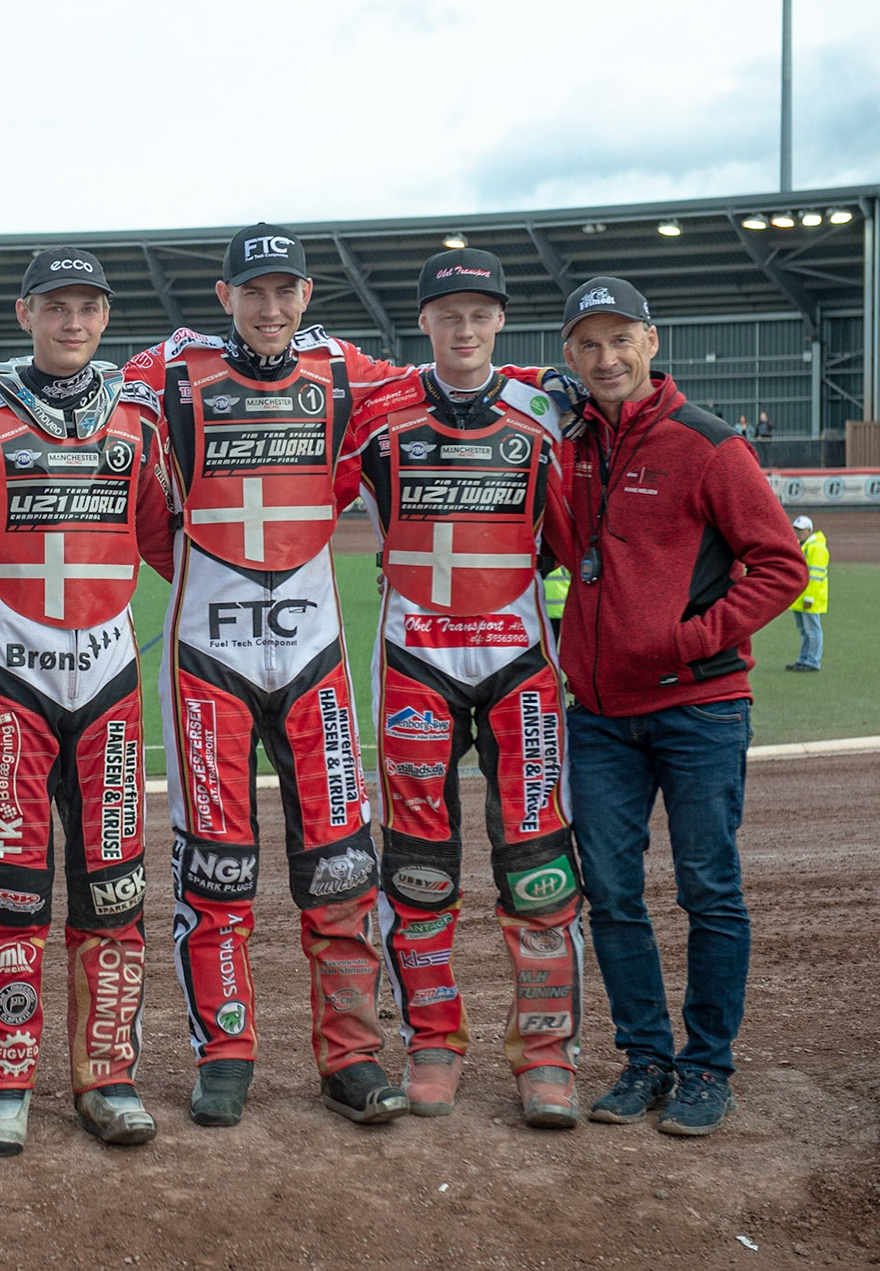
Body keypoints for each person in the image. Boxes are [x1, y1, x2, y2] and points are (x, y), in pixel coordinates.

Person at [122, 224, 411, 1127]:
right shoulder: (169, 371)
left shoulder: (345, 370)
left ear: (308, 295)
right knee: (216, 864)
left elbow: (440, 383)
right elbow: (80, 388)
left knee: (340, 862)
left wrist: (533, 382)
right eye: (254, 292)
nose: (271, 308)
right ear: (224, 298)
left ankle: (352, 1055)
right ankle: (227, 1051)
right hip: (209, 653)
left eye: (286, 291)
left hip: (314, 652)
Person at [0, 248, 177, 1154]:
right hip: (9, 673)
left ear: (104, 317)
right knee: (10, 884)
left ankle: (109, 1076)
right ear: (25, 313)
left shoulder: (135, 417)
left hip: (108, 674)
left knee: (116, 878)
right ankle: (4, 1077)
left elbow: (168, 538)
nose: (74, 322)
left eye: (89, 308)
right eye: (56, 307)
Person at [555, 276, 806, 1136]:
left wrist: (689, 639)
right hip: (597, 717)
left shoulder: (707, 444)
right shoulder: (572, 445)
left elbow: (781, 565)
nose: (606, 357)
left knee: (709, 890)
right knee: (613, 895)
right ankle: (645, 1059)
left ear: (651, 344)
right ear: (570, 356)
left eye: (620, 339)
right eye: (588, 344)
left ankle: (706, 1068)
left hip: (698, 709)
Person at [343, 250, 584, 1127]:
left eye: (481, 314)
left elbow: (564, 534)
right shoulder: (377, 417)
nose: (467, 328)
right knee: (416, 867)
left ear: (501, 322)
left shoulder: (544, 412)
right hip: (416, 659)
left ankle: (548, 1054)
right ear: (425, 323)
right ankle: (434, 1041)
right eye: (450, 315)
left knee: (541, 866)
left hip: (521, 659)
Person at [787, 514, 827, 671]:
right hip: (800, 597)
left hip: (809, 597)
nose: (797, 533)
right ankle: (803, 660)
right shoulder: (803, 546)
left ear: (809, 530)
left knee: (812, 630)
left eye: (801, 530)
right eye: (796, 530)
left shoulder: (816, 548)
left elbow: (815, 576)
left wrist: (809, 597)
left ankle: (812, 661)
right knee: (805, 631)